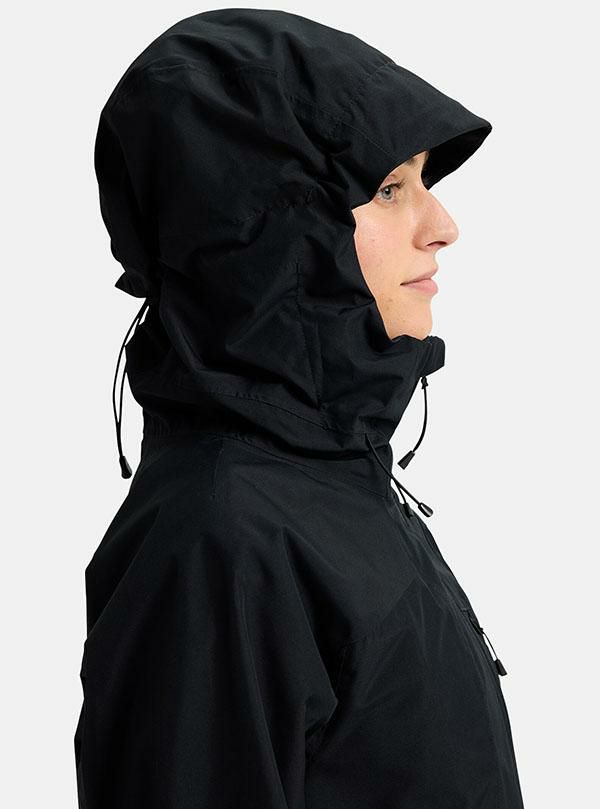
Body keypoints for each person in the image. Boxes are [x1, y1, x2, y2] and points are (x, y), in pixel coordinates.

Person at [75, 8, 526, 809]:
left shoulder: (327, 474)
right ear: (271, 232)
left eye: (426, 182)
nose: (442, 226)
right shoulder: (221, 543)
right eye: (389, 189)